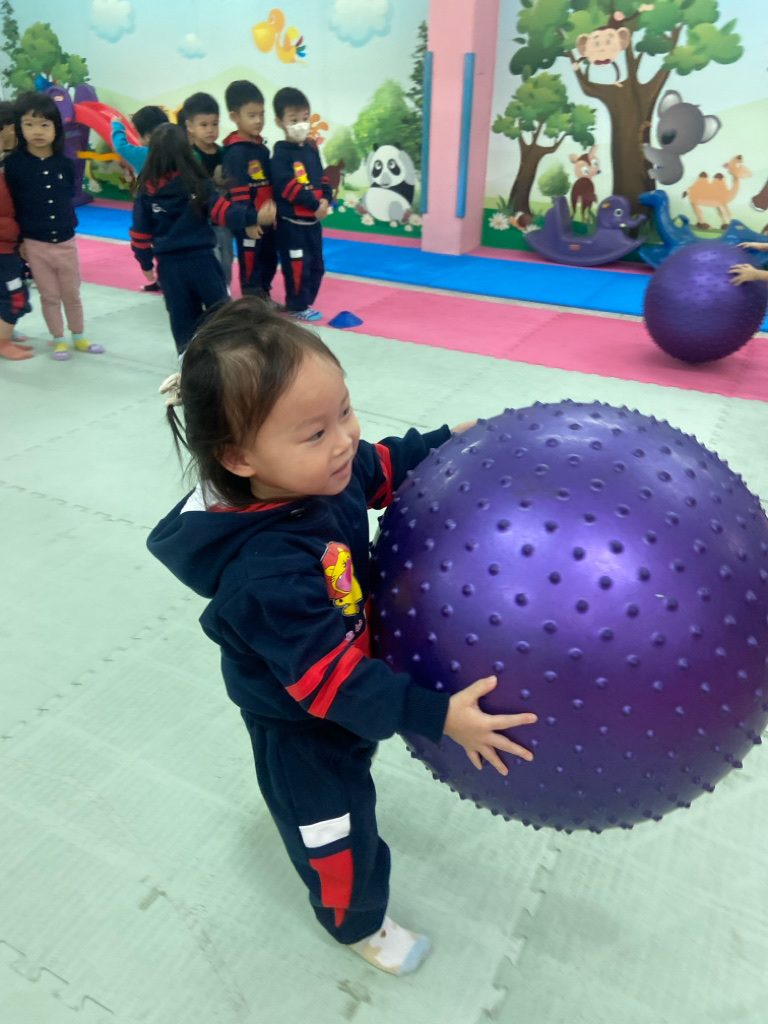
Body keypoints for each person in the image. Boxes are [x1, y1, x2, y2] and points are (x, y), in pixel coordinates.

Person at [147, 297, 538, 974]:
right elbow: (331, 687)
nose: (344, 439)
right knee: (334, 832)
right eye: (314, 432)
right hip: (302, 725)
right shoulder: (266, 577)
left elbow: (386, 463)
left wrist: (451, 441)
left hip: (347, 681)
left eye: (346, 412)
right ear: (239, 456)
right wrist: (437, 716)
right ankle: (356, 924)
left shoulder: (328, 471)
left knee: (351, 786)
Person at [129, 123, 270, 359]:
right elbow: (224, 212)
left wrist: (145, 262)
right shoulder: (197, 184)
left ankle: (187, 361)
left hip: (169, 268)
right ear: (186, 151)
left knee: (181, 317)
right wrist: (254, 216)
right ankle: (227, 357)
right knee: (221, 313)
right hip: (202, 262)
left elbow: (140, 233)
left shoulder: (146, 191)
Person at [5, 92, 103, 361]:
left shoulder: (65, 162)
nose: (37, 131)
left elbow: (68, 194)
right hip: (35, 243)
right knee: (49, 295)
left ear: (56, 128)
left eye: (44, 124)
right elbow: (14, 205)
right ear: (20, 127)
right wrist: (21, 241)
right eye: (29, 124)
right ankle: (58, 339)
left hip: (66, 240)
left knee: (72, 293)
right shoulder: (14, 165)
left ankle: (78, 335)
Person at [271, 87, 332, 322]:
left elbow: (322, 177)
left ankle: (304, 300)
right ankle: (297, 304)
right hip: (292, 225)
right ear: (280, 122)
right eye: (294, 120)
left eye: (305, 118)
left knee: (317, 265)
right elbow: (286, 186)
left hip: (313, 223)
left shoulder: (311, 149)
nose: (301, 125)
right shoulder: (280, 153)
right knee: (297, 265)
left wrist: (325, 199)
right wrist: (314, 203)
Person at [222, 80, 278, 302]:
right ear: (235, 116)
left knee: (269, 258)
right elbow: (238, 192)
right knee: (251, 262)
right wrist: (249, 220)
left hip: (267, 219)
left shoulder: (261, 149)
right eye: (251, 115)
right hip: (250, 220)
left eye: (261, 114)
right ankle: (252, 302)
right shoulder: (235, 153)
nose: (258, 121)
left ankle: (264, 296)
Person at [181, 91, 235, 288]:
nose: (210, 130)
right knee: (208, 258)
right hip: (201, 221)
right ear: (190, 126)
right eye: (203, 125)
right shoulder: (189, 156)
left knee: (227, 256)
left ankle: (224, 290)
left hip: (223, 218)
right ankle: (212, 292)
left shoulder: (224, 153)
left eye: (214, 123)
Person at [0, 167, 33, 360]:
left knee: (11, 295)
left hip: (8, 249)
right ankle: (3, 343)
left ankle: (4, 338)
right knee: (15, 298)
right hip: (3, 252)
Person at [110, 104, 169, 175]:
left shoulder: (145, 154)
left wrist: (117, 126)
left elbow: (120, 146)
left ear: (148, 137)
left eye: (136, 131)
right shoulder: (175, 145)